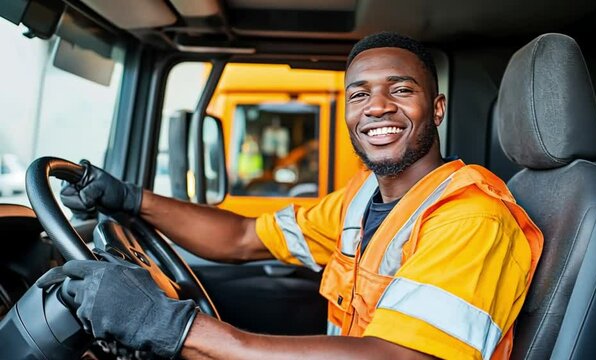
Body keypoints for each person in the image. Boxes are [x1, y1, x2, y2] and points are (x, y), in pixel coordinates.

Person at [37, 32, 543, 360]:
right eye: (359, 94)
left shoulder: (472, 218)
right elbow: (239, 237)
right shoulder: (363, 199)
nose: (377, 107)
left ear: (437, 108)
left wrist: (169, 324)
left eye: (400, 90)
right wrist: (130, 199)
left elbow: (396, 357)